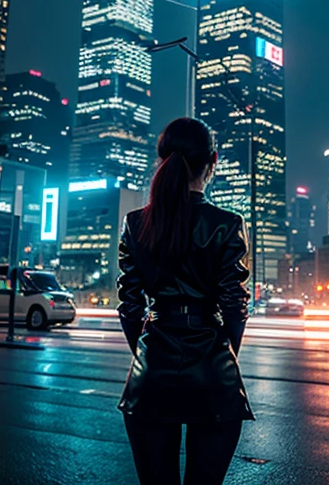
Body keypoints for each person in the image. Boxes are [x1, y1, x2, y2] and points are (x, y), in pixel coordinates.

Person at [117, 117, 253, 485]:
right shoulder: (227, 224)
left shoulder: (135, 224)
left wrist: (145, 353)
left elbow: (129, 307)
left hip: (152, 371)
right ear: (214, 160)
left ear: (163, 161)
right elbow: (234, 306)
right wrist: (224, 355)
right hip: (213, 373)